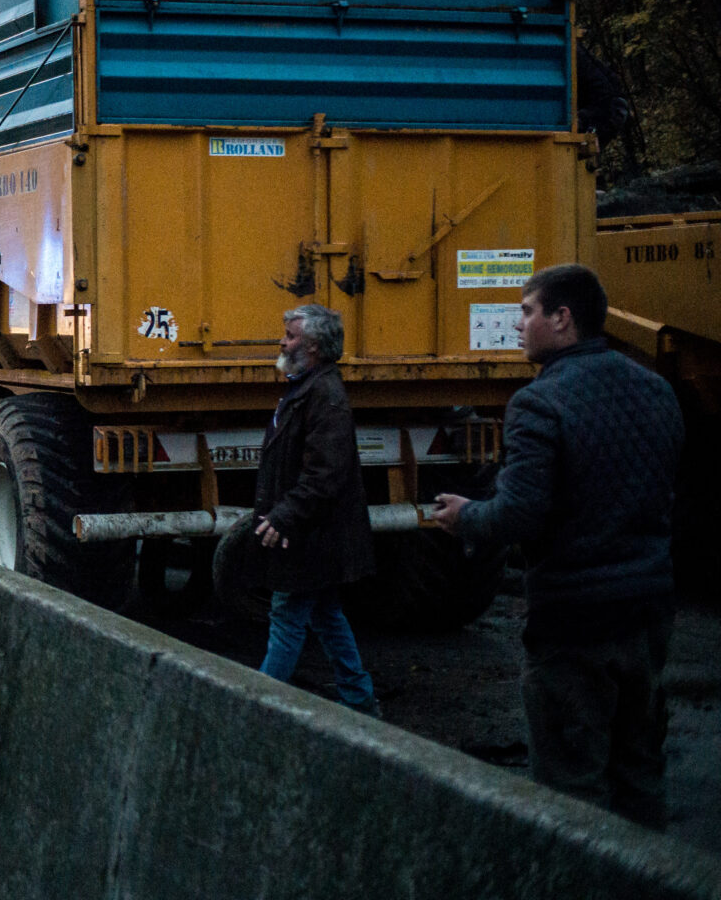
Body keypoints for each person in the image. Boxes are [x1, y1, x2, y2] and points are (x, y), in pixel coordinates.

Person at [429, 264, 681, 827]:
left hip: (575, 619)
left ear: (561, 318)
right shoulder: (656, 389)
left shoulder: (539, 403)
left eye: (526, 311)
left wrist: (467, 515)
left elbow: (519, 513)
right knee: (640, 772)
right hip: (649, 610)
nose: (517, 325)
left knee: (570, 787)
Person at [249, 303, 381, 717]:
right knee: (325, 613)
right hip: (316, 533)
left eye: (291, 337)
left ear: (316, 349)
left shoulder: (322, 395)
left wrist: (285, 515)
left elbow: (325, 474)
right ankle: (359, 699)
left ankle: (257, 710)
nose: (282, 342)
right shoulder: (309, 389)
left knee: (287, 617)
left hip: (310, 535)